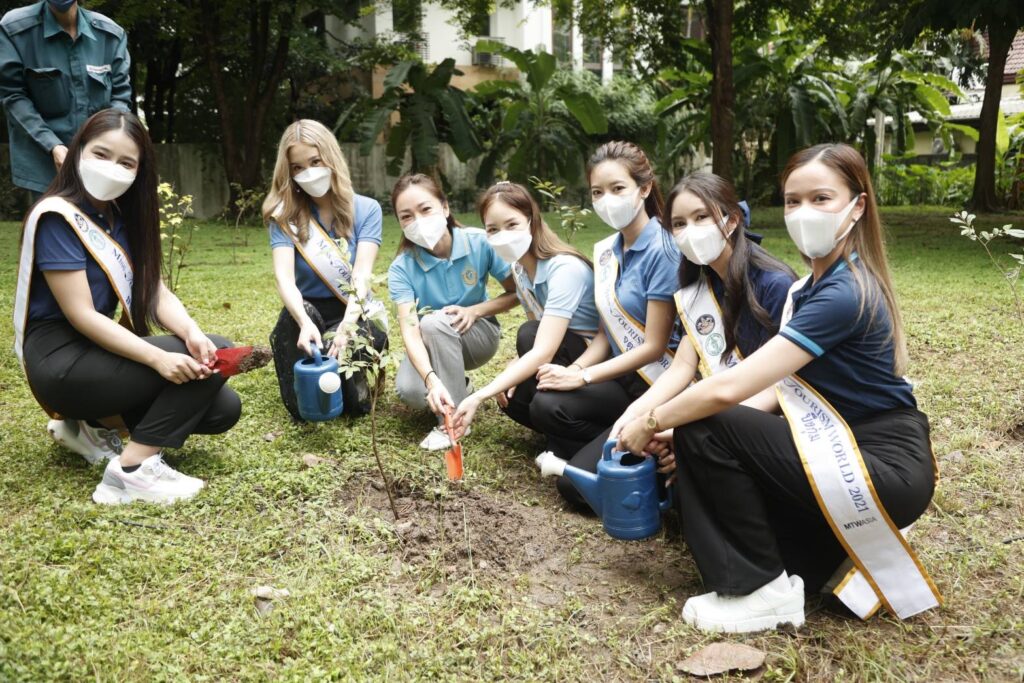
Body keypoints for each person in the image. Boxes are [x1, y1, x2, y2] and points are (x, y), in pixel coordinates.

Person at [617, 143, 940, 633]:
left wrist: (654, 421)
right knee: (768, 539)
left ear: (857, 207)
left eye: (821, 199)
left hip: (880, 462)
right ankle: (810, 560)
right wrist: (674, 428)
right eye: (793, 201)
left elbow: (728, 390)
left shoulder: (842, 293)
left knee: (706, 423)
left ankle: (762, 592)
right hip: (836, 445)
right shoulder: (811, 287)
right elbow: (779, 389)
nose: (804, 213)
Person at [12, 109, 243, 505]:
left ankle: (89, 425)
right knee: (216, 353)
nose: (111, 169)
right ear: (77, 152)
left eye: (126, 162)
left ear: (139, 171)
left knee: (222, 408)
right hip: (61, 361)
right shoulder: (58, 217)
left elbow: (154, 291)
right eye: (101, 154)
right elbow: (82, 315)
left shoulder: (120, 216)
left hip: (97, 351)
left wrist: (190, 331)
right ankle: (131, 470)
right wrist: (158, 358)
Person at [555, 171, 796, 509]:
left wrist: (679, 432)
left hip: (761, 422)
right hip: (705, 412)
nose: (690, 231)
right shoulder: (697, 287)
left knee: (684, 496)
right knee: (575, 485)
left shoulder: (775, 285)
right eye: (679, 224)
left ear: (731, 221)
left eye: (701, 217)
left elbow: (780, 389)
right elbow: (681, 368)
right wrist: (632, 418)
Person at [528, 141, 680, 465]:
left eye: (617, 188)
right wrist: (574, 370)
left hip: (655, 384)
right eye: (597, 192)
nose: (607, 199)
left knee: (573, 486)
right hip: (620, 376)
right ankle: (622, 442)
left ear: (644, 188)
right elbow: (604, 334)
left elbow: (654, 347)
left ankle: (644, 444)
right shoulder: (608, 250)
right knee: (544, 403)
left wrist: (582, 378)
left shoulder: (664, 251)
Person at [263, 119, 388, 421]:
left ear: (331, 158)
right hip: (306, 310)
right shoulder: (285, 216)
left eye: (315, 162)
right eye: (298, 167)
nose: (308, 172)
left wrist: (346, 326)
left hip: (353, 310)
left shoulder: (367, 209)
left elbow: (361, 275)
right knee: (305, 403)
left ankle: (357, 381)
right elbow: (284, 278)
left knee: (353, 407)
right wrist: (304, 321)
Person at [451, 181, 599, 437]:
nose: (503, 235)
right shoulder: (519, 271)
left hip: (594, 362)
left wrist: (479, 395)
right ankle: (561, 428)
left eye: (512, 224)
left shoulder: (564, 268)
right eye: (493, 229)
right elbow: (540, 335)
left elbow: (542, 347)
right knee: (512, 400)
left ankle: (580, 432)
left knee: (527, 334)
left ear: (532, 221)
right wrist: (512, 369)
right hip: (563, 353)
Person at [387, 173, 517, 450]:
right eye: (407, 216)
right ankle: (458, 385)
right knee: (412, 391)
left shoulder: (480, 242)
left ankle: (454, 423)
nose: (418, 220)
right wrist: (431, 380)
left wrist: (476, 311)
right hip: (431, 339)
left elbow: (517, 293)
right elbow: (410, 331)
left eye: (425, 209)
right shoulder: (401, 268)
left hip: (478, 336)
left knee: (433, 323)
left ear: (445, 208)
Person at [0, 0, 131, 197]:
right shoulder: (15, 30)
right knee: (53, 216)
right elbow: (13, 95)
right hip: (45, 167)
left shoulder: (110, 35)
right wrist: (53, 146)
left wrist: (105, 148)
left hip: (102, 167)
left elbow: (121, 97)